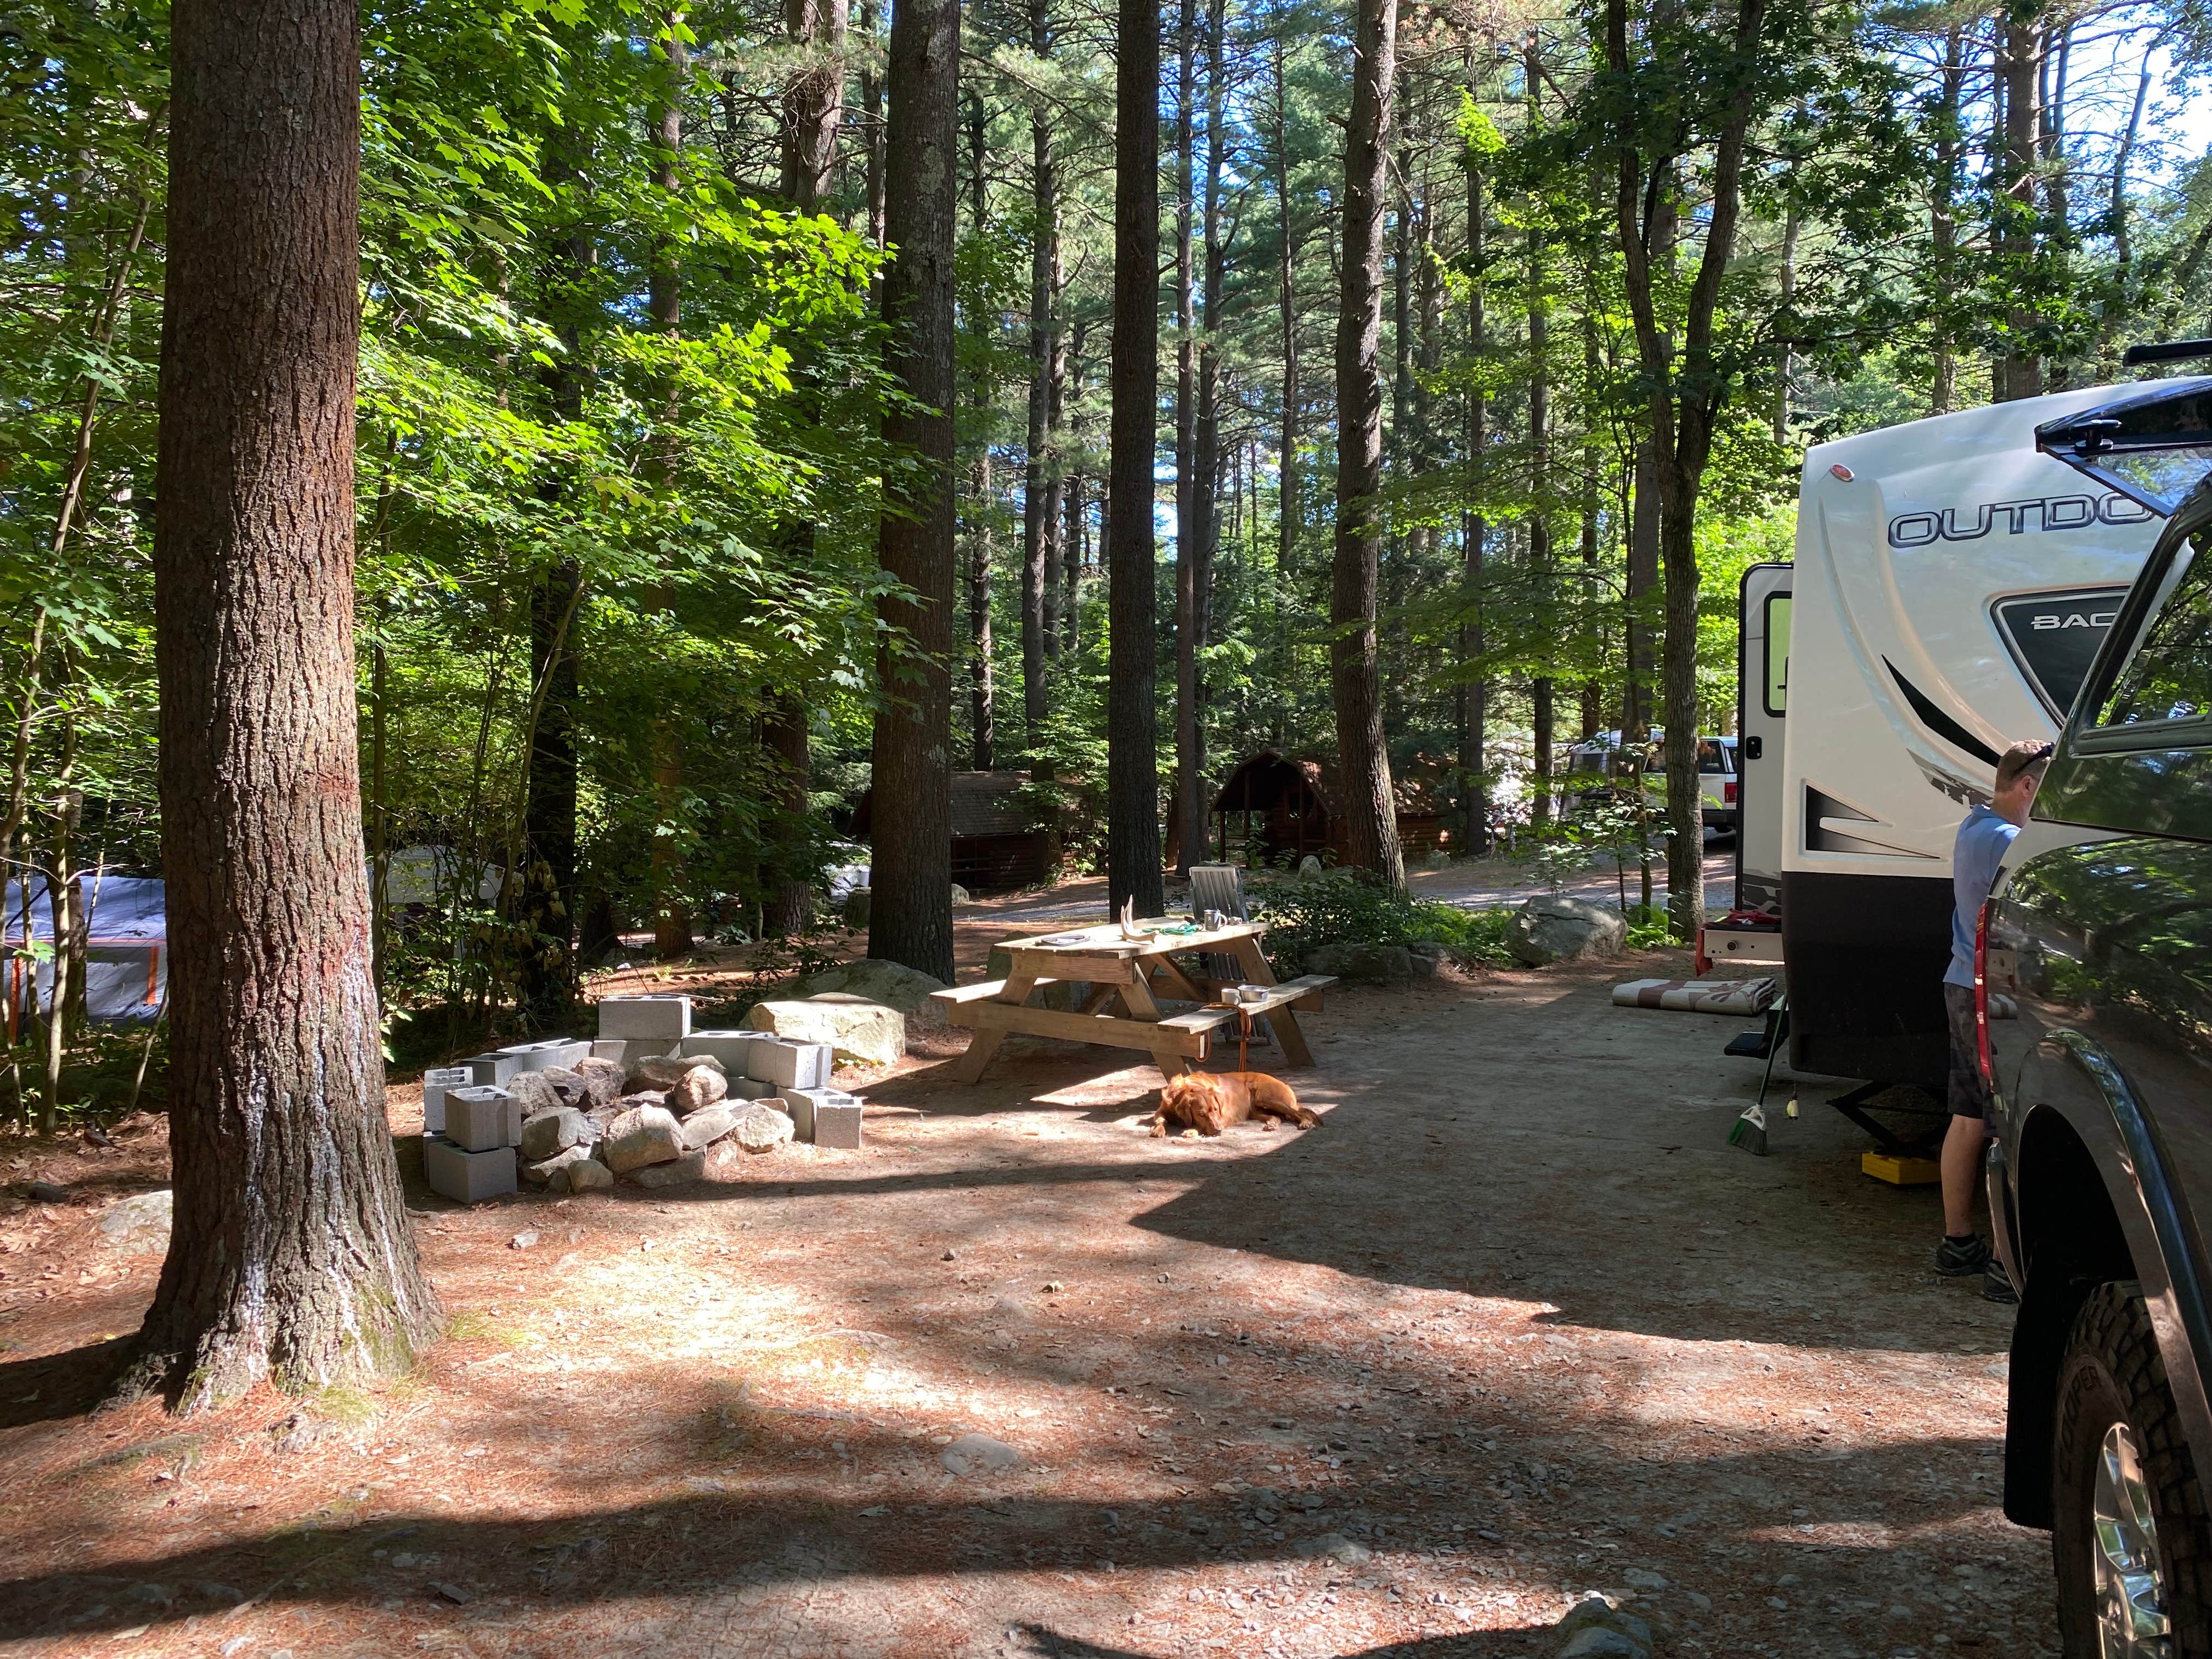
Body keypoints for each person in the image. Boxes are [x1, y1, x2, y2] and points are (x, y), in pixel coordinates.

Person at [1935, 738, 2053, 1303]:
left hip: (1961, 984)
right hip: (1990, 997)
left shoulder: (1973, 826)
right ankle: (2009, 1266)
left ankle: (1959, 1243)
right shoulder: (2009, 842)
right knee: (2009, 1123)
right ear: (2028, 786)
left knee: (1968, 1115)